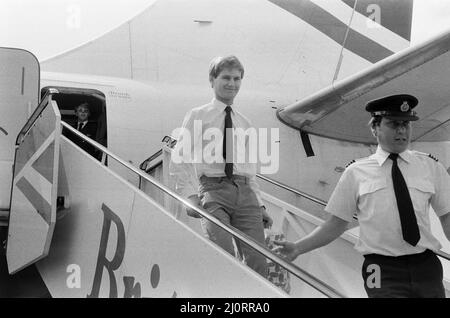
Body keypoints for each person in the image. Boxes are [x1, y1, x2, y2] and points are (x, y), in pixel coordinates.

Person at [275, 94, 450, 298]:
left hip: (426, 266)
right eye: (394, 124)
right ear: (375, 128)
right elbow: (335, 224)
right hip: (381, 269)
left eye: (406, 124)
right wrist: (298, 247)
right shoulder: (355, 173)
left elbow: (447, 217)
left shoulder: (430, 166)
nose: (402, 130)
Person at [169, 55, 273, 277]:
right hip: (214, 192)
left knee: (258, 262)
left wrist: (261, 205)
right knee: (222, 256)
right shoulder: (198, 115)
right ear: (212, 80)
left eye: (237, 79)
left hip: (245, 194)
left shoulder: (244, 122)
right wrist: (188, 195)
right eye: (225, 77)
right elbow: (180, 158)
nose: (231, 84)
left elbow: (249, 170)